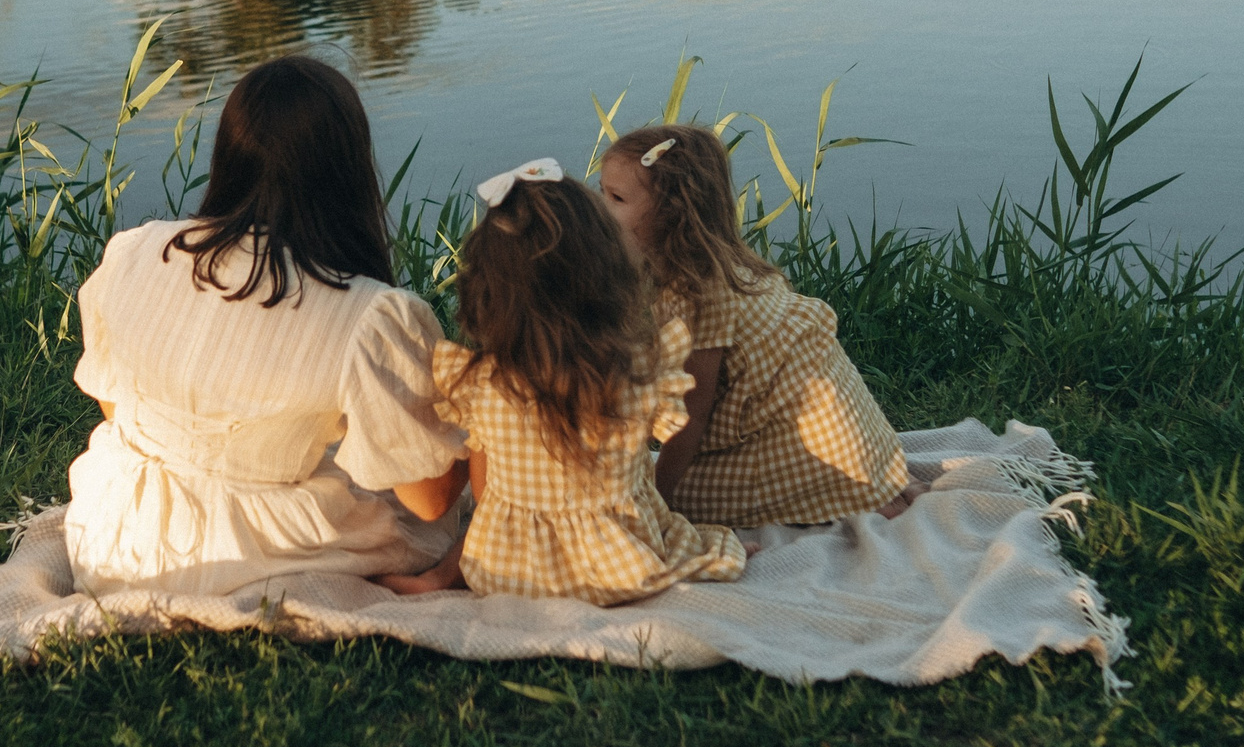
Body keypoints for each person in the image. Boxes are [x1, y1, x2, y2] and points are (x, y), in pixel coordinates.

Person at [61, 57, 468, 596]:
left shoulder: (133, 251)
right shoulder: (371, 313)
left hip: (114, 537)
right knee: (431, 516)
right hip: (248, 554)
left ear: (228, 155)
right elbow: (429, 499)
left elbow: (114, 404)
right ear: (347, 170)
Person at [375, 160, 744, 604]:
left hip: (508, 572)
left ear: (487, 289)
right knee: (691, 526)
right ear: (609, 272)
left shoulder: (480, 384)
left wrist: (442, 575)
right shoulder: (640, 370)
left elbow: (487, 497)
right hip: (623, 567)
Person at [595, 124, 918, 528]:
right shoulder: (699, 261)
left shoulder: (696, 293)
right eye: (602, 193)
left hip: (809, 433)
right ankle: (863, 483)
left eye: (617, 198)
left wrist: (658, 502)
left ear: (672, 211)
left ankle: (846, 491)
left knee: (684, 501)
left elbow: (691, 416)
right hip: (822, 418)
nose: (601, 209)